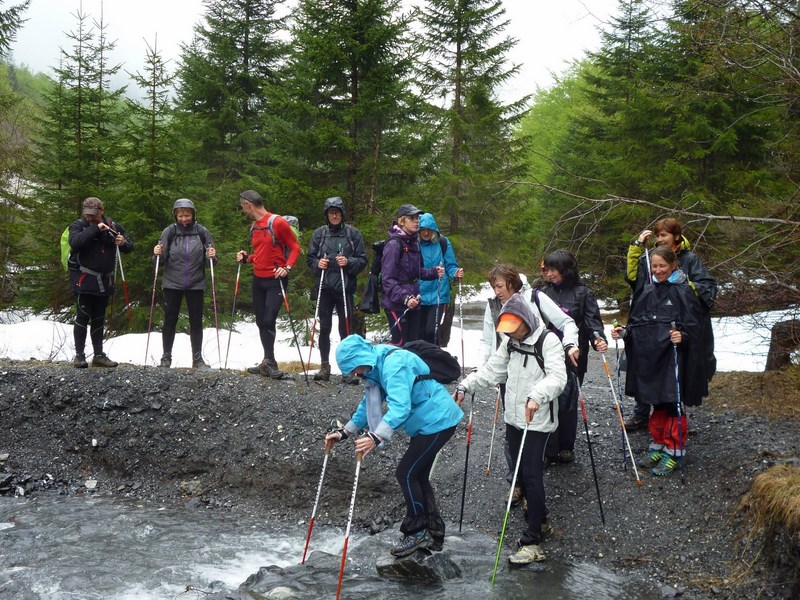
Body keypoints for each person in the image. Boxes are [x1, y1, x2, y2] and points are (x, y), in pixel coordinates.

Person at [326, 334, 463, 556]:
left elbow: (401, 407)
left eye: (353, 369)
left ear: (359, 358)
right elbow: (367, 404)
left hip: (438, 420)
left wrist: (376, 436)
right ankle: (433, 532)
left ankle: (417, 532)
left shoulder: (393, 364)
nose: (355, 374)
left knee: (406, 474)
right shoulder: (374, 367)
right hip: (427, 422)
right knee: (417, 475)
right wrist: (345, 431)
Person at [456, 293, 567, 564]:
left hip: (537, 420)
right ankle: (539, 521)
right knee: (519, 472)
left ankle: (533, 542)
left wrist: (537, 396)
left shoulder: (548, 341)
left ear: (526, 320)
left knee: (531, 474)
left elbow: (558, 378)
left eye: (514, 328)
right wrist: (466, 384)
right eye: (507, 330)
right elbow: (493, 371)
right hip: (514, 418)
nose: (511, 334)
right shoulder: (510, 342)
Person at [477, 263, 579, 505]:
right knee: (513, 429)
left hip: (538, 375)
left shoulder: (535, 297)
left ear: (513, 283)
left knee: (535, 430)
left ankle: (533, 484)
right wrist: (484, 370)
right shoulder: (493, 305)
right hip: (509, 372)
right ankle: (517, 483)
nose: (496, 291)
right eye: (493, 287)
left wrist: (570, 344)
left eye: (500, 286)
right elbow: (487, 339)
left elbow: (567, 323)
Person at [612, 247, 708, 475]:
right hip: (651, 360)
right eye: (654, 266)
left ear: (674, 264)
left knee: (673, 404)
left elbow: (695, 328)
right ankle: (659, 444)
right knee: (656, 402)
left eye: (662, 266)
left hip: (673, 359)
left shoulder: (684, 291)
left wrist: (682, 336)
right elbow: (637, 324)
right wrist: (624, 332)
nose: (657, 270)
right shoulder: (647, 291)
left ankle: (675, 450)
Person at [624, 218, 717, 430]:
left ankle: (675, 426)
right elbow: (633, 279)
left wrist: (682, 286)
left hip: (677, 326)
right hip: (650, 324)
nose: (660, 239)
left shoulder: (689, 259)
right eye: (657, 236)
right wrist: (636, 248)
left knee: (673, 374)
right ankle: (643, 416)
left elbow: (707, 289)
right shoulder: (649, 258)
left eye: (663, 235)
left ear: (675, 236)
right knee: (647, 366)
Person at [539, 250, 608, 465]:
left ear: (565, 270)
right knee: (548, 400)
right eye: (546, 270)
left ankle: (566, 446)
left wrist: (598, 338)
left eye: (553, 270)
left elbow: (592, 322)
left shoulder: (583, 293)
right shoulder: (542, 293)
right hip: (546, 354)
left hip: (574, 355)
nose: (548, 274)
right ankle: (549, 450)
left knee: (567, 402)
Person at [236, 190, 302, 379]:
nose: (244, 210)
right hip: (259, 279)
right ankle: (267, 361)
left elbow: (295, 247)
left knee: (268, 320)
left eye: (243, 207)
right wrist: (246, 258)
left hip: (276, 280)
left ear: (248, 204)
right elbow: (261, 252)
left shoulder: (277, 222)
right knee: (260, 321)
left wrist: (287, 267)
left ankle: (270, 362)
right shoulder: (255, 226)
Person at [306, 196, 367, 381]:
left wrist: (348, 262)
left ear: (342, 214)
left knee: (346, 328)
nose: (334, 215)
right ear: (327, 215)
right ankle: (324, 366)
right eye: (331, 212)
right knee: (324, 327)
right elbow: (310, 259)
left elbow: (363, 260)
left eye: (337, 212)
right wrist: (319, 264)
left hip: (344, 287)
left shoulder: (353, 234)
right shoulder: (319, 234)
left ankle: (348, 369)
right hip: (324, 288)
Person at [67, 196, 133, 368]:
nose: (89, 217)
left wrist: (123, 242)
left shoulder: (114, 226)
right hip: (84, 280)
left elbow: (129, 247)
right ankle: (79, 355)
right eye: (87, 214)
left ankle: (99, 355)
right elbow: (75, 242)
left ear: (101, 211)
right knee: (82, 316)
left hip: (105, 281)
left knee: (99, 318)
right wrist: (96, 228)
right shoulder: (78, 226)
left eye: (93, 214)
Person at [153, 198, 216, 369]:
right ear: (175, 215)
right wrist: (157, 253)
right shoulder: (169, 232)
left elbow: (211, 261)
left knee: (196, 321)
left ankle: (197, 359)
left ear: (193, 214)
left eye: (187, 215)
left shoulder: (202, 232)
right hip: (172, 283)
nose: (184, 218)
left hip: (195, 283)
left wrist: (211, 256)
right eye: (180, 215)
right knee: (169, 320)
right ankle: (166, 357)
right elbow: (160, 260)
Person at [380, 204, 443, 345]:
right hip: (395, 303)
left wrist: (434, 272)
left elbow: (417, 272)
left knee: (413, 344)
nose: (416, 221)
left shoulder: (414, 242)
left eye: (417, 218)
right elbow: (387, 279)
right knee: (399, 344)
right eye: (412, 218)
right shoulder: (394, 245)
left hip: (413, 301)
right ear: (402, 221)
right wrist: (405, 298)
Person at [417, 213, 463, 346]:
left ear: (434, 230)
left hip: (438, 294)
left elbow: (450, 265)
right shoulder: (414, 244)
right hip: (419, 294)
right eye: (423, 230)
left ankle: (434, 361)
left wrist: (455, 273)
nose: (426, 233)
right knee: (419, 333)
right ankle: (421, 361)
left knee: (432, 331)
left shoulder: (442, 242)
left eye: (429, 229)